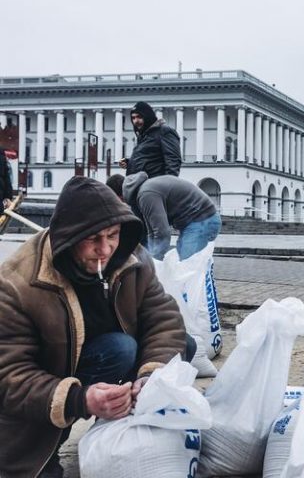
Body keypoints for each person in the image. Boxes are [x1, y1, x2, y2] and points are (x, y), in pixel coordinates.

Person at [0, 176, 189, 478]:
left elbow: (163, 319)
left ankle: (119, 428)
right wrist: (80, 398)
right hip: (50, 382)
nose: (105, 249)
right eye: (93, 239)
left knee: (182, 347)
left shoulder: (131, 257)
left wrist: (150, 375)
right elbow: (11, 375)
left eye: (112, 235)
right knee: (120, 348)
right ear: (70, 237)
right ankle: (49, 445)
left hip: (104, 356)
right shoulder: (16, 283)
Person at [109, 172, 221, 261]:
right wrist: (150, 257)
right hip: (197, 222)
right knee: (184, 266)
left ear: (118, 197)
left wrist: (153, 264)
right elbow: (152, 233)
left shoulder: (146, 194)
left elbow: (162, 233)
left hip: (203, 221)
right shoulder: (143, 192)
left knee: (187, 267)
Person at [119, 101, 182, 178]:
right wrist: (130, 163)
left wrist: (166, 185)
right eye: (133, 118)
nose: (135, 121)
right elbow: (149, 160)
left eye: (139, 117)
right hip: (140, 184)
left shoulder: (164, 131)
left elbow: (173, 161)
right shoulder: (143, 135)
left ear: (147, 116)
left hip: (154, 185)